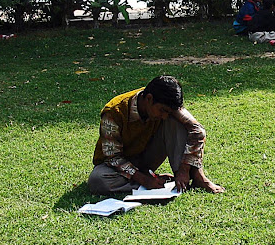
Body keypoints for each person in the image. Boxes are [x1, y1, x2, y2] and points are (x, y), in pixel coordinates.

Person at [88, 76, 224, 195]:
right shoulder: (114, 112)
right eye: (162, 111)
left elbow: (197, 130)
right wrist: (143, 179)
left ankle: (195, 177)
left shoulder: (166, 102)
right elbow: (113, 158)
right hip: (117, 166)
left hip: (146, 156)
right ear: (149, 99)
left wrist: (184, 168)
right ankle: (152, 182)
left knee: (177, 123)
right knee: (97, 180)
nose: (164, 116)